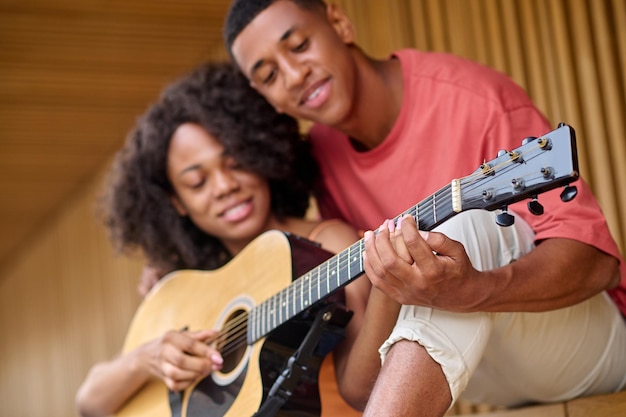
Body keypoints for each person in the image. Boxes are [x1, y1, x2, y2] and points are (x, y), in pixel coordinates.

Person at [223, 0, 626, 415]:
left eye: (300, 45)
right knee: (419, 272)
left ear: (340, 22)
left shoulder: (474, 99)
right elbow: (361, 388)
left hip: (588, 345)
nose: (293, 75)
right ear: (266, 97)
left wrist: (475, 290)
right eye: (269, 75)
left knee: (456, 234)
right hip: (481, 373)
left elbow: (598, 266)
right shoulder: (323, 158)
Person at [75, 61, 399, 417]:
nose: (225, 186)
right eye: (197, 183)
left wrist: (389, 285)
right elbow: (90, 403)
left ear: (261, 153)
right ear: (176, 203)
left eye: (237, 163)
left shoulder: (324, 244)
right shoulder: (190, 290)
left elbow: (363, 390)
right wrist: (144, 360)